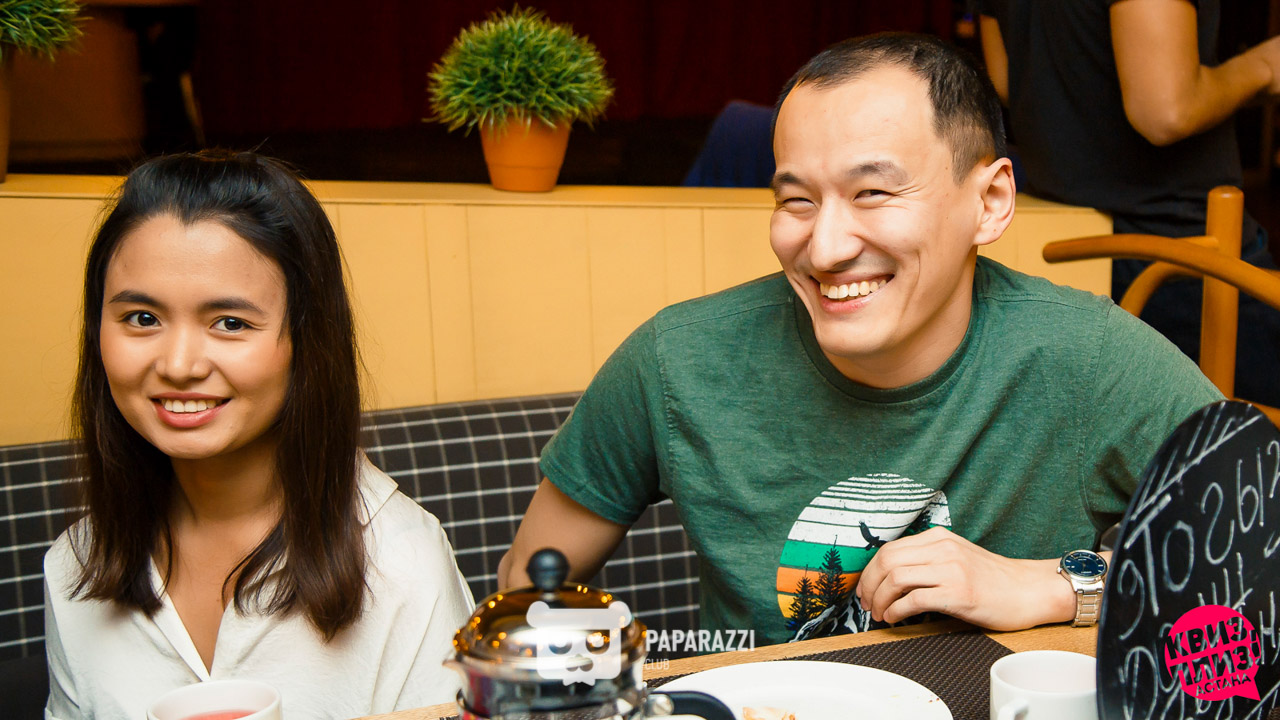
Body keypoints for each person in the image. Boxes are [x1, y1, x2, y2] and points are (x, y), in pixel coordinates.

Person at [497, 33, 1222, 647]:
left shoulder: (1090, 359)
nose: (824, 248)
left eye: (872, 192)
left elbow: (1257, 557)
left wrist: (1052, 585)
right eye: (796, 200)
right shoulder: (675, 360)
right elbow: (524, 592)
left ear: (990, 201)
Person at [44, 151, 474, 719]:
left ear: (306, 343)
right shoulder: (74, 565)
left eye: (231, 323)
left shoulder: (400, 561)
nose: (178, 365)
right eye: (142, 318)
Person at [979, 0, 1280, 407]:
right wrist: (1264, 66)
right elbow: (1166, 111)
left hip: (1069, 243)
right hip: (1179, 251)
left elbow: (1008, 81)